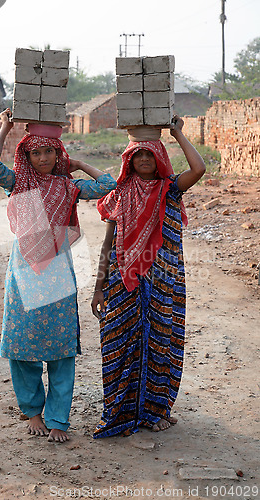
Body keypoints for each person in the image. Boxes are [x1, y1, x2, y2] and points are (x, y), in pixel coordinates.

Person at [0, 108, 117, 442]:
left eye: (49, 151)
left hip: (59, 274)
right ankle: (33, 412)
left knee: (62, 350)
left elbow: (108, 184)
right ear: (26, 155)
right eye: (36, 152)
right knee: (21, 347)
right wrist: (5, 128)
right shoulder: (18, 183)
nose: (43, 157)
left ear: (59, 153)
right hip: (23, 274)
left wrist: (78, 165)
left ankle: (58, 417)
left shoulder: (67, 186)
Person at [91, 116, 206, 438]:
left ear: (160, 159)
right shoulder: (118, 194)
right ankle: (121, 412)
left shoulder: (169, 190)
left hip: (163, 280)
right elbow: (107, 244)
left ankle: (155, 410)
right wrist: (98, 288)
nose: (143, 160)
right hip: (122, 281)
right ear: (129, 160)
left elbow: (198, 170)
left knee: (160, 343)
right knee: (120, 343)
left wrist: (178, 133)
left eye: (150, 155)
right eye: (137, 155)